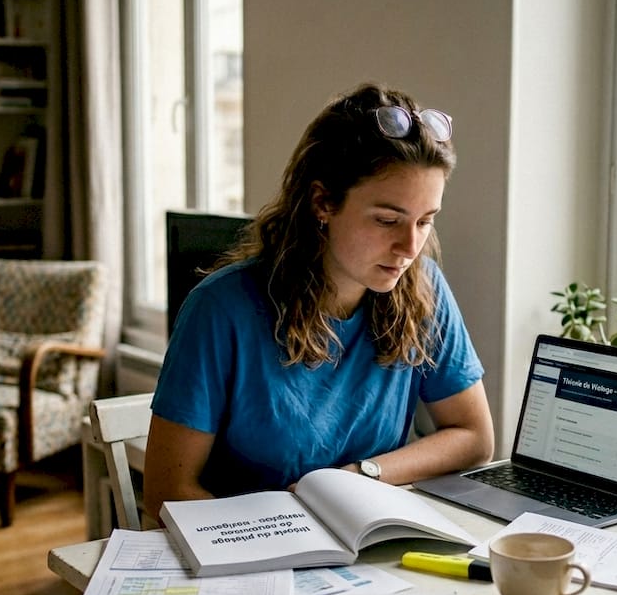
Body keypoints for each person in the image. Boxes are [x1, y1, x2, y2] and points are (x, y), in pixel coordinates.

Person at [142, 82, 494, 521]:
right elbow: (165, 494)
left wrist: (361, 476)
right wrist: (289, 529)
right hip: (244, 555)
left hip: (360, 547)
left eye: (425, 221)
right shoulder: (220, 310)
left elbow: (474, 435)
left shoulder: (424, 288)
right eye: (388, 220)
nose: (409, 246)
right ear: (322, 202)